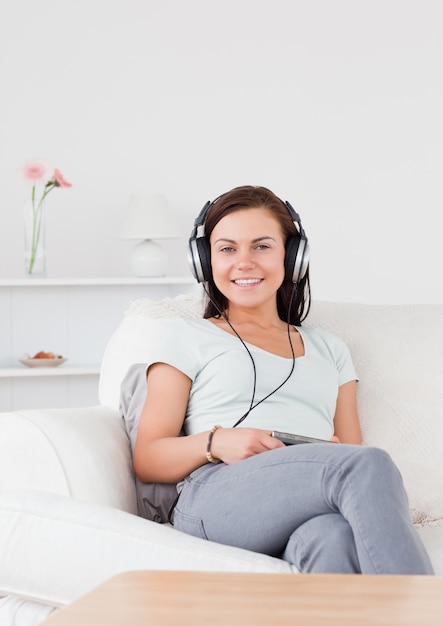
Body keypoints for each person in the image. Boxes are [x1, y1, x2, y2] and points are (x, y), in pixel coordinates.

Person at [133, 185, 433, 574]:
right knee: (366, 464)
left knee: (332, 537)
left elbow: (348, 449)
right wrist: (216, 441)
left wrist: (321, 454)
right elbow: (148, 458)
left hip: (303, 487)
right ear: (206, 262)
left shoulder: (330, 349)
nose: (244, 262)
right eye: (227, 249)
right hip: (215, 492)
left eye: (261, 246)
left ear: (291, 258)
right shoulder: (186, 336)